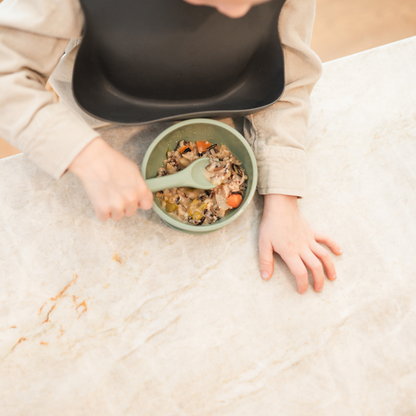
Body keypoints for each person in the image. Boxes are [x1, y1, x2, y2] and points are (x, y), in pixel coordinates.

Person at [0, 0, 342, 294]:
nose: (238, 10)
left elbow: (289, 76)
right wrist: (85, 155)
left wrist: (282, 195)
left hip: (228, 118)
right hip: (94, 132)